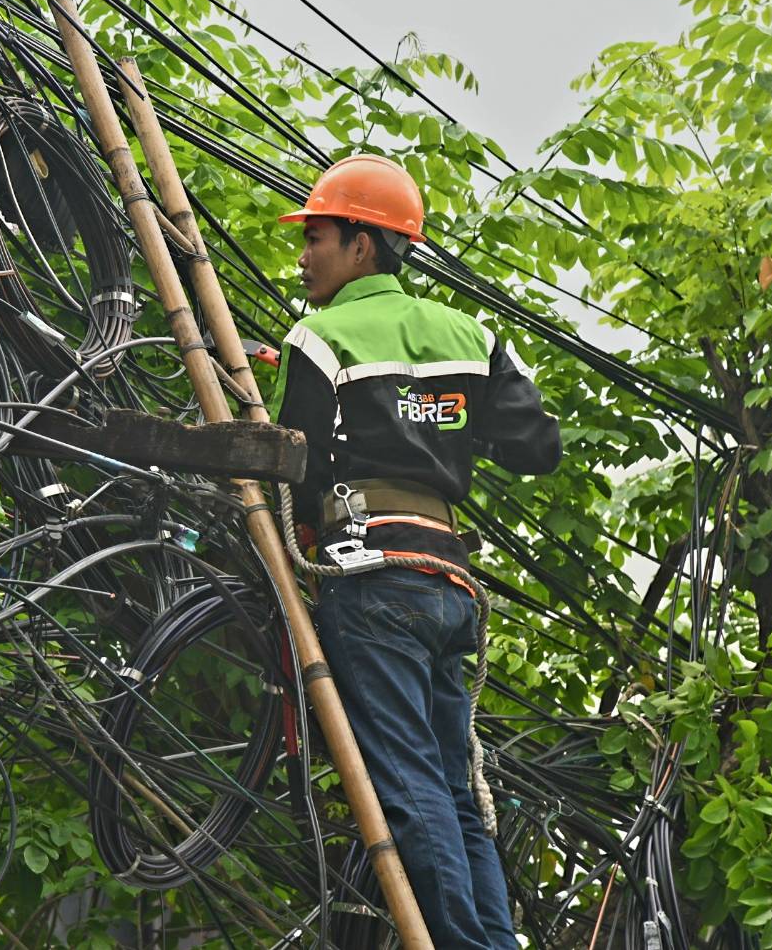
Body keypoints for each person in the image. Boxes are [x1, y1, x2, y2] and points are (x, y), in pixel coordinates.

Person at [273, 154, 561, 949]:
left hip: (371, 579)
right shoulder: (470, 335)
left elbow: (297, 467)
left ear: (364, 246)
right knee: (456, 793)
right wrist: (442, 423)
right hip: (447, 584)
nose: (303, 255)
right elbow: (537, 445)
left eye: (318, 238)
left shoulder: (320, 335)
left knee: (407, 786)